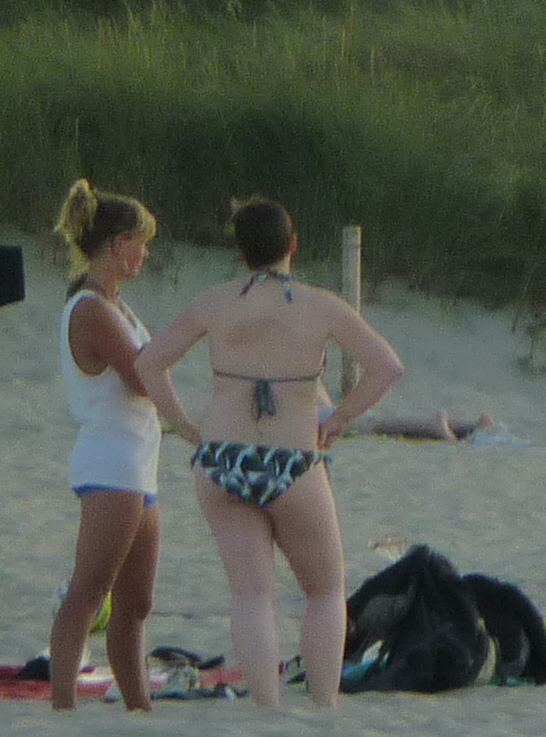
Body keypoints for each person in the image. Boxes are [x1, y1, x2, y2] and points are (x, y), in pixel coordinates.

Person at [127, 198, 406, 710]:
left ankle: (267, 706)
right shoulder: (321, 305)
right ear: (292, 245)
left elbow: (149, 364)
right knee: (324, 591)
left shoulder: (215, 302)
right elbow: (387, 367)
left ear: (240, 253)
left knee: (251, 595)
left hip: (222, 458)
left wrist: (184, 425)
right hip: (292, 459)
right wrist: (340, 418)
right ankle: (323, 703)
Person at [46, 185, 194, 715]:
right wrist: (185, 336)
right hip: (111, 460)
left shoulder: (116, 306)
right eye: (139, 242)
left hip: (138, 461)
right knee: (90, 589)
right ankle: (62, 703)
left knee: (136, 602)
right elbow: (140, 376)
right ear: (116, 244)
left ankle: (139, 706)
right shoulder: (91, 309)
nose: (145, 253)